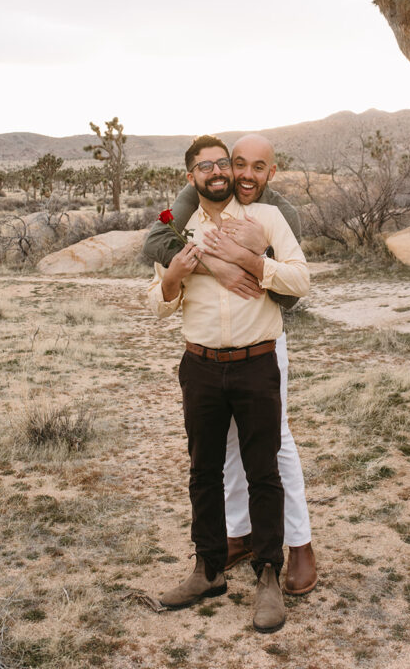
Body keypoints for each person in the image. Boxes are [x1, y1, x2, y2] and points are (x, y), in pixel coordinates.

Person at [148, 135, 309, 633]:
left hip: (256, 361)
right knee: (204, 470)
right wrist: (174, 276)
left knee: (264, 471)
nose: (217, 172)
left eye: (224, 164)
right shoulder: (179, 230)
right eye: (206, 166)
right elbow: (158, 301)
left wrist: (253, 261)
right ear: (192, 176)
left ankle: (268, 576)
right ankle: (208, 570)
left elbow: (300, 282)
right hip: (199, 365)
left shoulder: (268, 219)